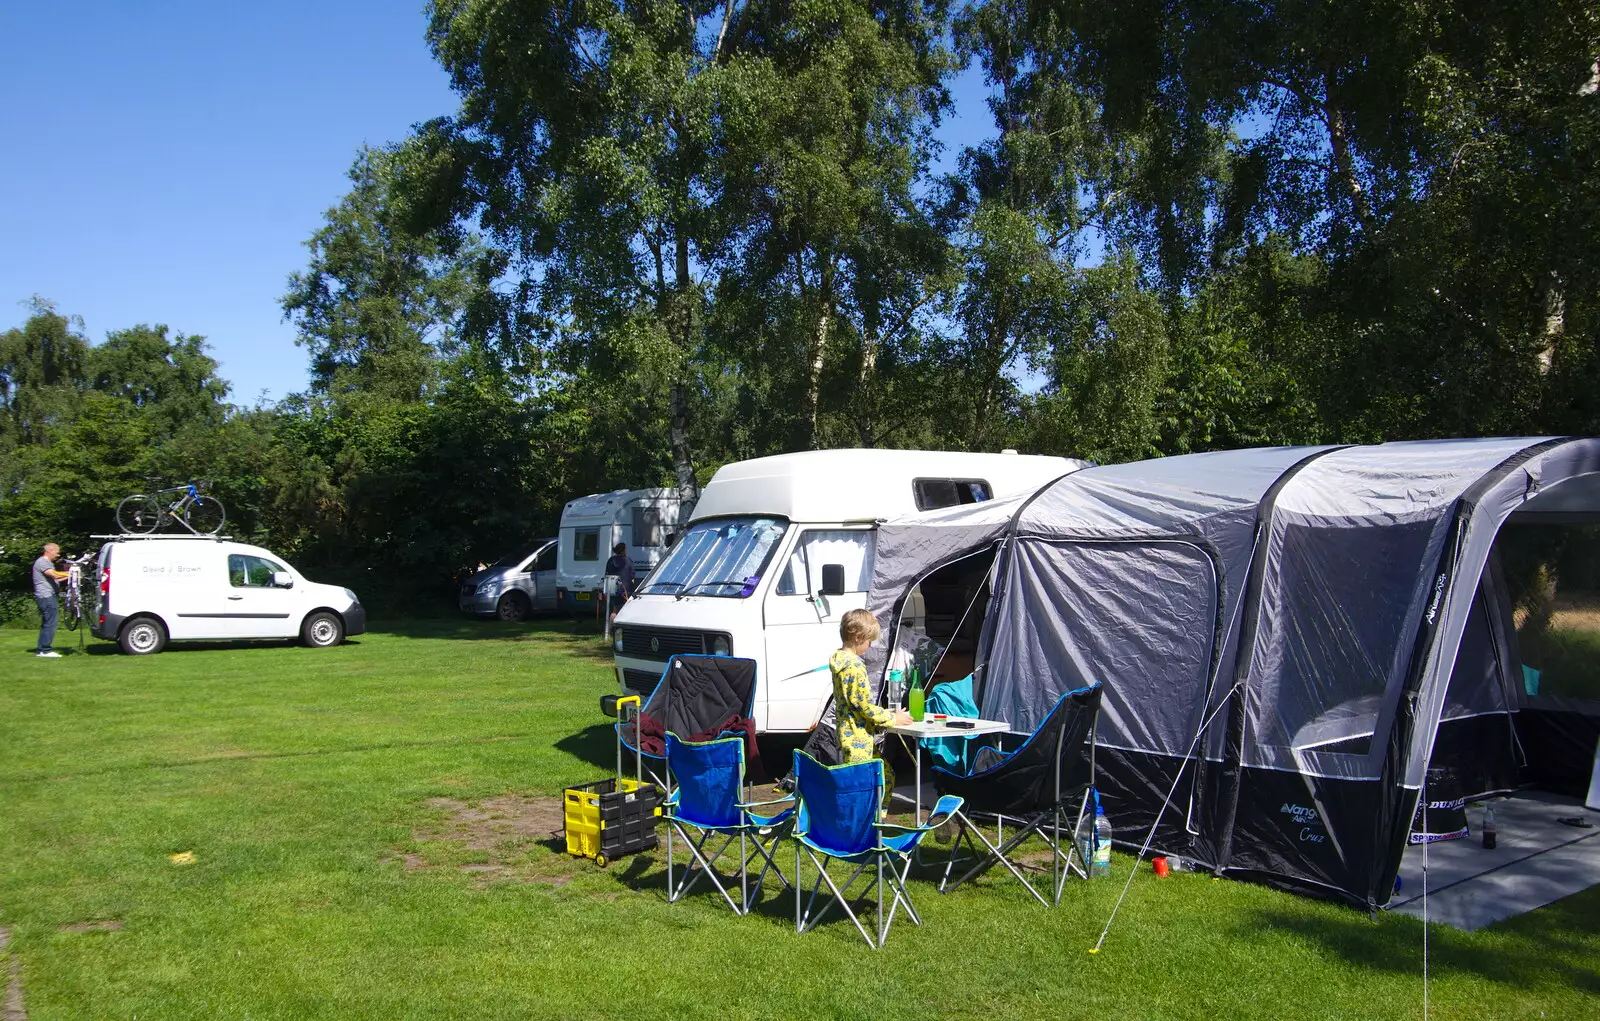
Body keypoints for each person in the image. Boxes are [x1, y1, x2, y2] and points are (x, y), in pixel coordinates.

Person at [830, 609, 913, 809]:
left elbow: (856, 703)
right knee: (860, 786)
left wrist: (888, 714)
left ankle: (877, 818)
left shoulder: (840, 660)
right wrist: (893, 719)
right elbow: (863, 706)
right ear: (858, 637)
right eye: (869, 641)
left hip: (853, 733)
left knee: (886, 775)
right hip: (856, 738)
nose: (870, 645)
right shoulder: (854, 667)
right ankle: (859, 822)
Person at [32, 542, 71, 658]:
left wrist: (70, 576)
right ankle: (45, 650)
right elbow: (54, 575)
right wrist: (70, 572)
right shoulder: (42, 562)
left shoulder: (46, 562)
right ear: (50, 551)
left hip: (48, 595)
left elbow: (55, 580)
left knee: (47, 623)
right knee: (51, 623)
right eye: (57, 552)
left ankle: (42, 649)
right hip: (46, 596)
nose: (57, 555)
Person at [603, 542, 635, 625]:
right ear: (624, 550)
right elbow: (632, 576)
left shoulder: (611, 560)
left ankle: (611, 629)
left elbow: (607, 574)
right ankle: (623, 628)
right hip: (626, 589)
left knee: (615, 609)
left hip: (614, 588)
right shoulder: (628, 561)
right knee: (626, 610)